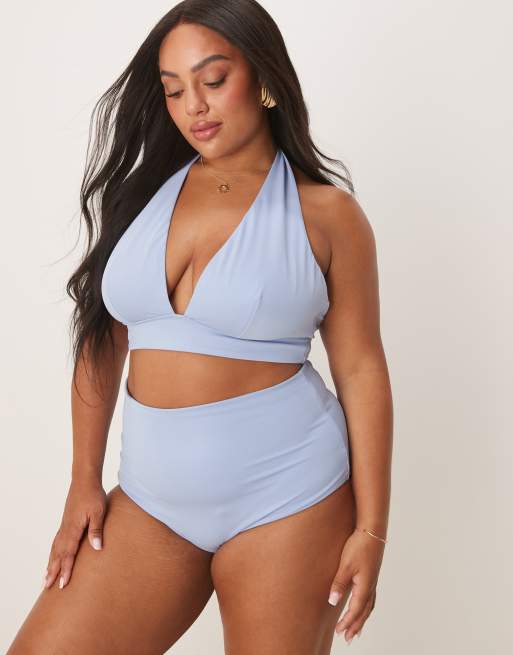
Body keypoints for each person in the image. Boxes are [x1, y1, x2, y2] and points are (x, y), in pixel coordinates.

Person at [7, 1, 393, 653]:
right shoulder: (137, 198)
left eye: (213, 80)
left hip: (290, 495)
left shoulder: (328, 215)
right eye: (174, 90)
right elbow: (101, 339)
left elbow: (360, 368)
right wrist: (82, 480)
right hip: (151, 500)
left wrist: (372, 528)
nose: (195, 107)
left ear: (263, 77)